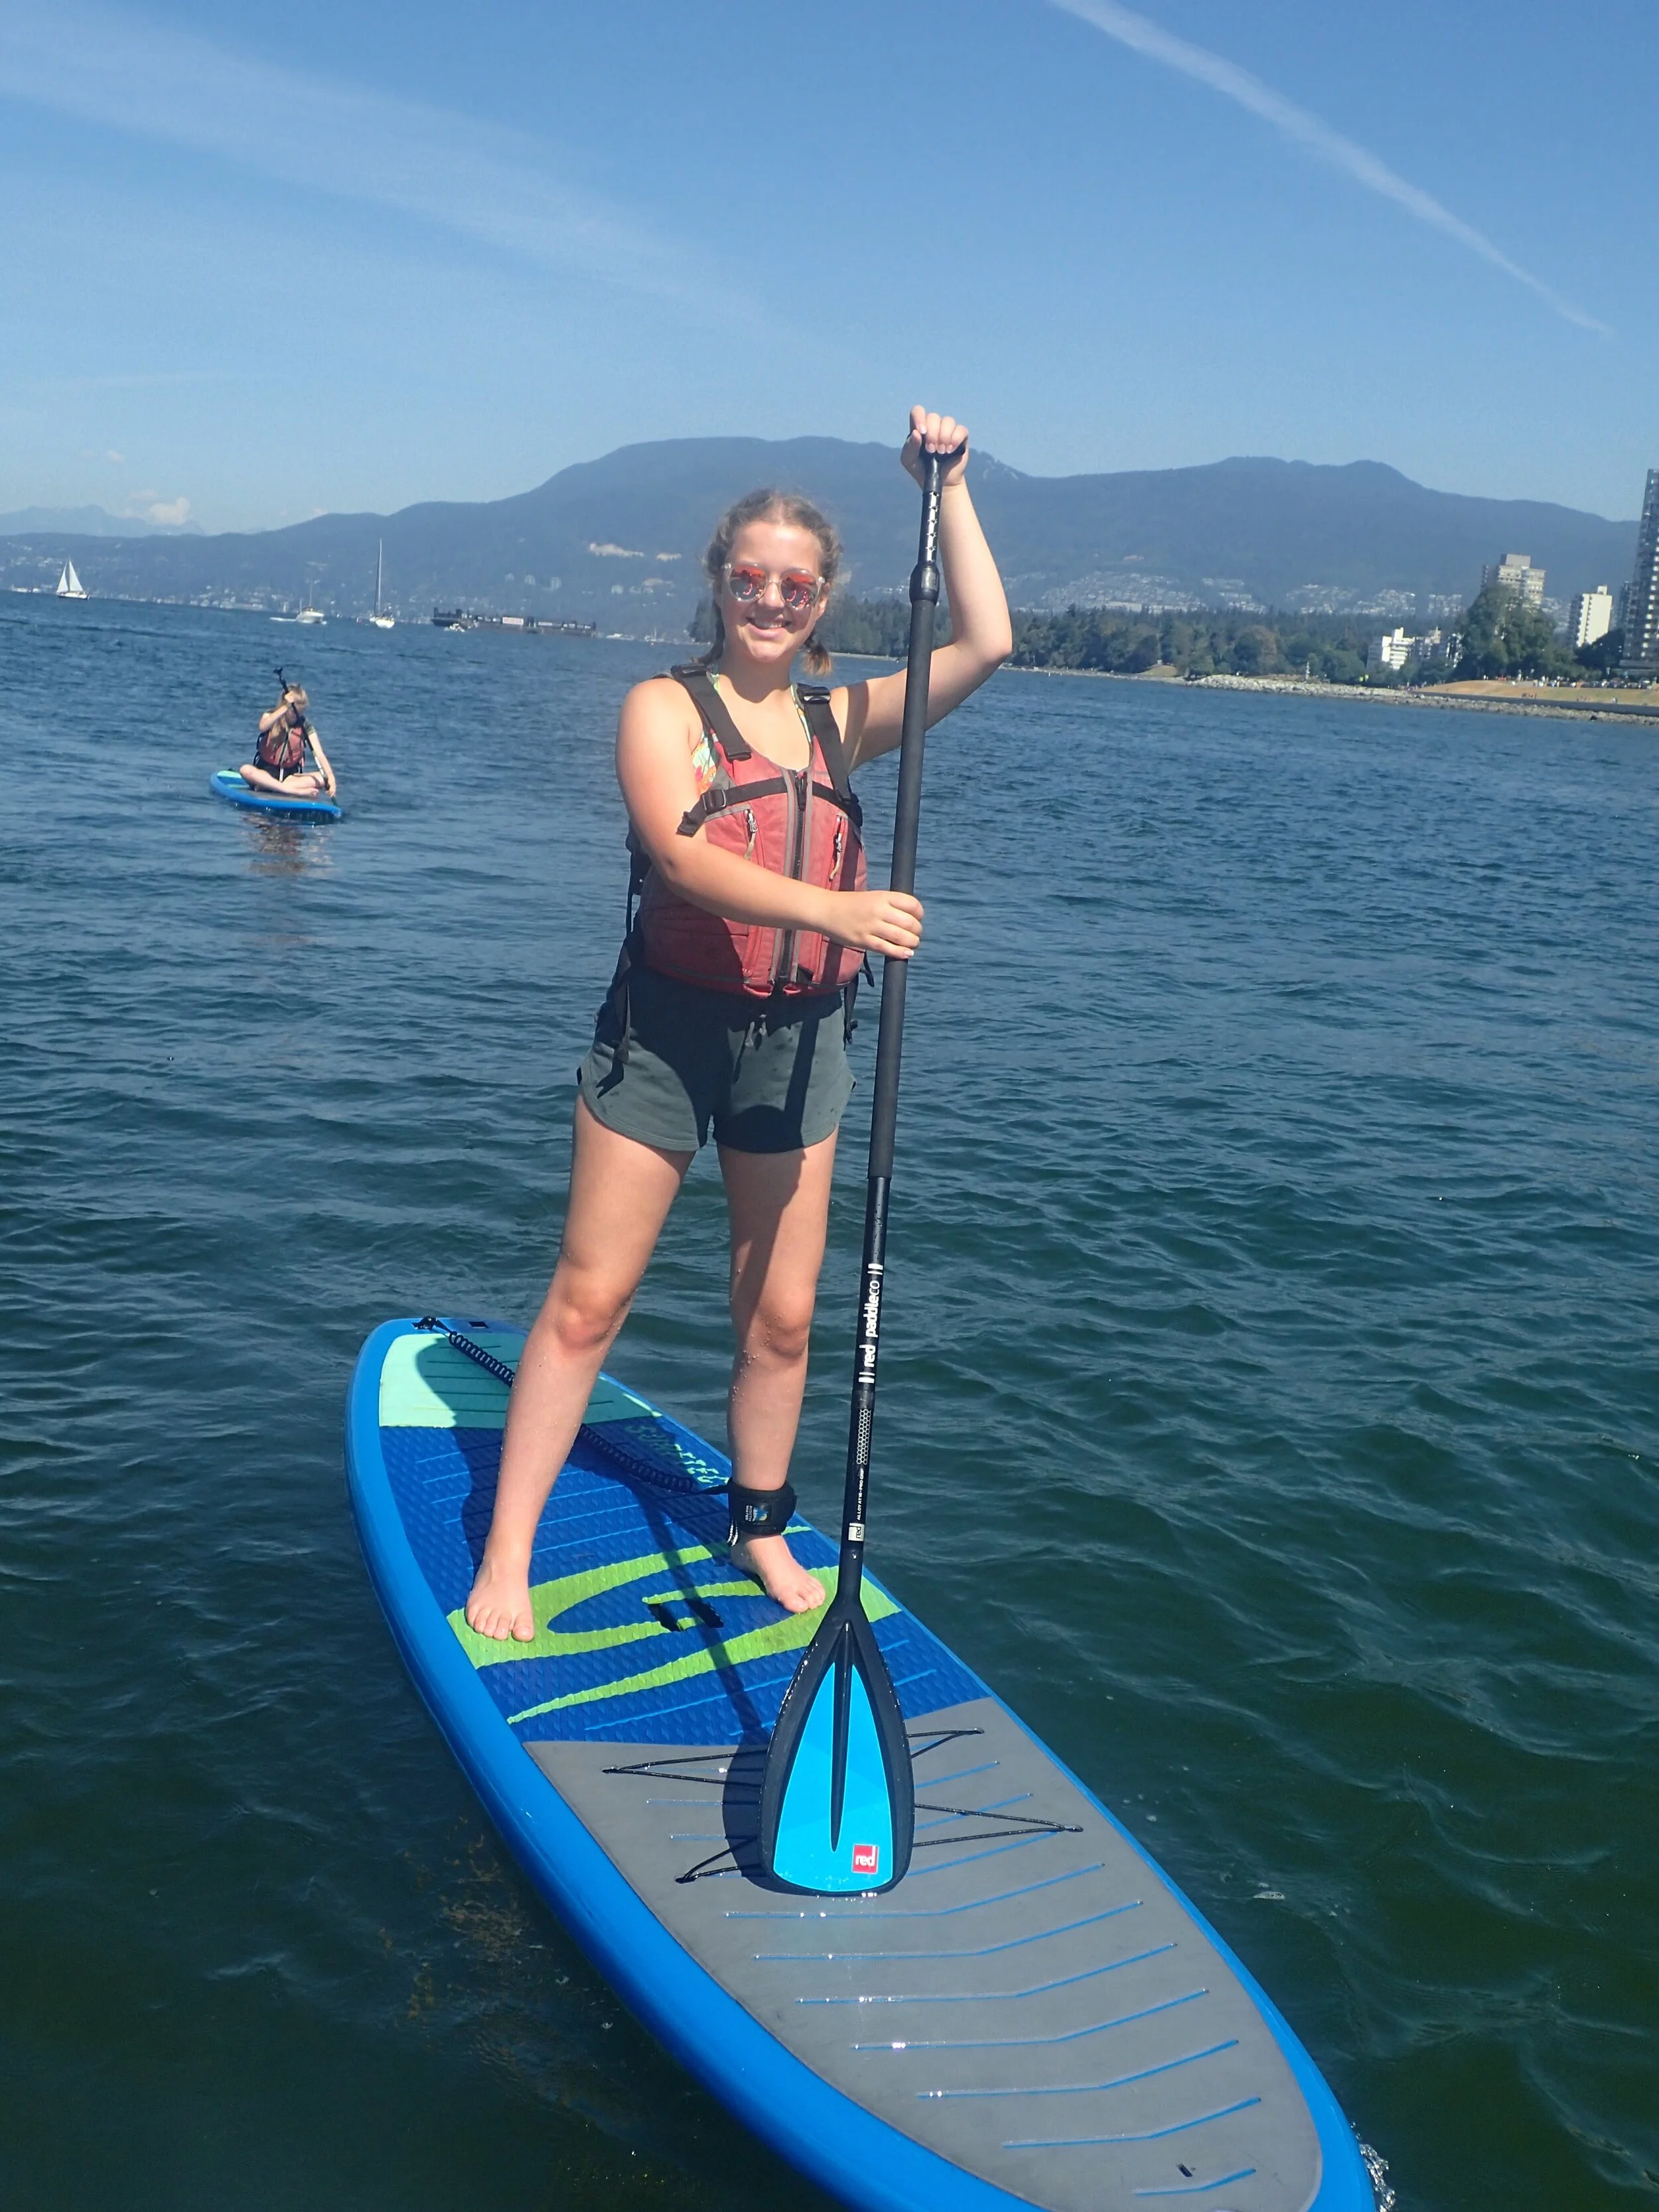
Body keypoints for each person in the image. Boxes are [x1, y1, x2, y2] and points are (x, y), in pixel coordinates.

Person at [465, 406, 1012, 1642]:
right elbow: (681, 852)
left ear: (824, 600)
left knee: (779, 1314)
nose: (771, 600)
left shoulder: (842, 719)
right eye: (750, 578)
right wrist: (840, 905)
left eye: (796, 584)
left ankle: (757, 1522)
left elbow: (989, 640)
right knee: (590, 1300)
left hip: (803, 1037)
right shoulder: (663, 708)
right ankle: (509, 1548)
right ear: (718, 584)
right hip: (667, 1034)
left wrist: (953, 489)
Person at [240, 682, 336, 800]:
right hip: (265, 773)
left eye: (300, 712)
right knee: (245, 770)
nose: (297, 715)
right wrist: (285, 707)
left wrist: (331, 778)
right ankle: (291, 791)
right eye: (294, 711)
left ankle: (275, 787)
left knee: (322, 778)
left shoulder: (305, 726)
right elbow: (262, 727)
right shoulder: (271, 715)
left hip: (290, 777)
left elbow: (319, 754)